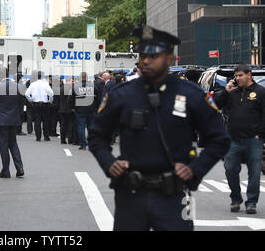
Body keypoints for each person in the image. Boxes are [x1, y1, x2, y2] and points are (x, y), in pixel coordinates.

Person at [88, 25, 230, 231]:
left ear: (169, 59)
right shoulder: (121, 94)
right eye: (142, 54)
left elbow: (220, 139)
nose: (145, 60)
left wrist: (194, 170)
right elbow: (97, 136)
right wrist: (109, 163)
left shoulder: (191, 94)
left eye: (153, 55)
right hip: (131, 195)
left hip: (175, 196)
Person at [213, 64, 265, 214]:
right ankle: (236, 198)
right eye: (236, 76)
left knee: (254, 173)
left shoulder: (260, 92)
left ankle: (251, 202)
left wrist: (260, 134)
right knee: (230, 169)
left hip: (253, 139)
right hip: (233, 139)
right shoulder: (232, 93)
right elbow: (215, 105)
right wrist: (225, 91)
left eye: (240, 75)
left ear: (249, 75)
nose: (237, 78)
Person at [0, 67, 25, 178]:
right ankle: (20, 167)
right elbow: (22, 101)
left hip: (1, 120)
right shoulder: (17, 86)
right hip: (14, 119)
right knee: (13, 144)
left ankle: (6, 171)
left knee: (3, 145)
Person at [70, 72, 102, 151]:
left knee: (81, 127)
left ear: (80, 78)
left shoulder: (75, 87)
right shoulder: (94, 86)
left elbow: (71, 99)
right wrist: (97, 108)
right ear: (87, 78)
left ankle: (83, 145)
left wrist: (73, 108)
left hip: (80, 110)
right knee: (91, 127)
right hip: (91, 110)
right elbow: (99, 98)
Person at [25, 71, 54, 142]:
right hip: (45, 104)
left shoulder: (32, 84)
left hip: (36, 104)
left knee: (37, 121)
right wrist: (50, 101)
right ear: (42, 76)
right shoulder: (46, 84)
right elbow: (51, 93)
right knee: (45, 121)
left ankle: (38, 137)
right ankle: (46, 137)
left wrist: (31, 100)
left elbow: (26, 94)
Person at [59, 77, 74, 144]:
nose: (73, 82)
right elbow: (72, 99)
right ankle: (70, 139)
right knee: (70, 124)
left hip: (62, 109)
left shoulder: (61, 88)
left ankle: (62, 140)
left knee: (63, 124)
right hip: (69, 109)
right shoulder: (71, 88)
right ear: (69, 81)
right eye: (72, 81)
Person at [24, 70, 38, 135]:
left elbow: (26, 91)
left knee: (29, 116)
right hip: (36, 100)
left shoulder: (28, 82)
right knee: (36, 116)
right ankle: (36, 129)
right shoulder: (37, 82)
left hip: (29, 100)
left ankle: (29, 130)